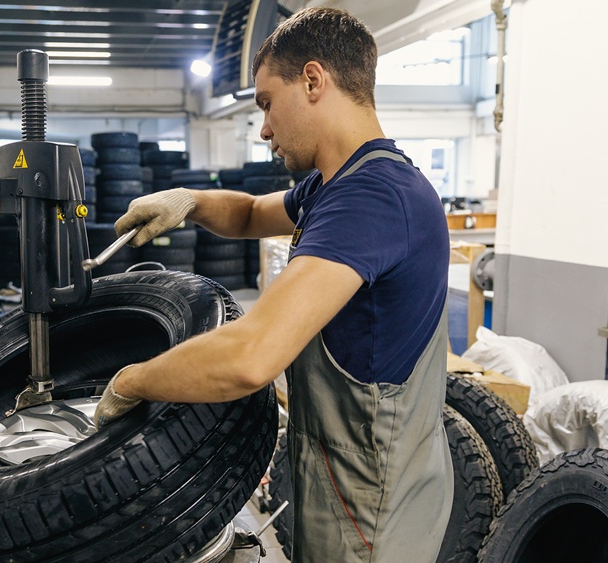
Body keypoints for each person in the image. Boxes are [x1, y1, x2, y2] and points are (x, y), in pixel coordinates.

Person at [93, 7, 453, 563]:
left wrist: (132, 381)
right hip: (352, 476)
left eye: (266, 102)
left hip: (371, 511)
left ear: (312, 80)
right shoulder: (336, 185)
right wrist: (188, 202)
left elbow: (250, 357)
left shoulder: (372, 198)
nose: (263, 128)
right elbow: (248, 213)